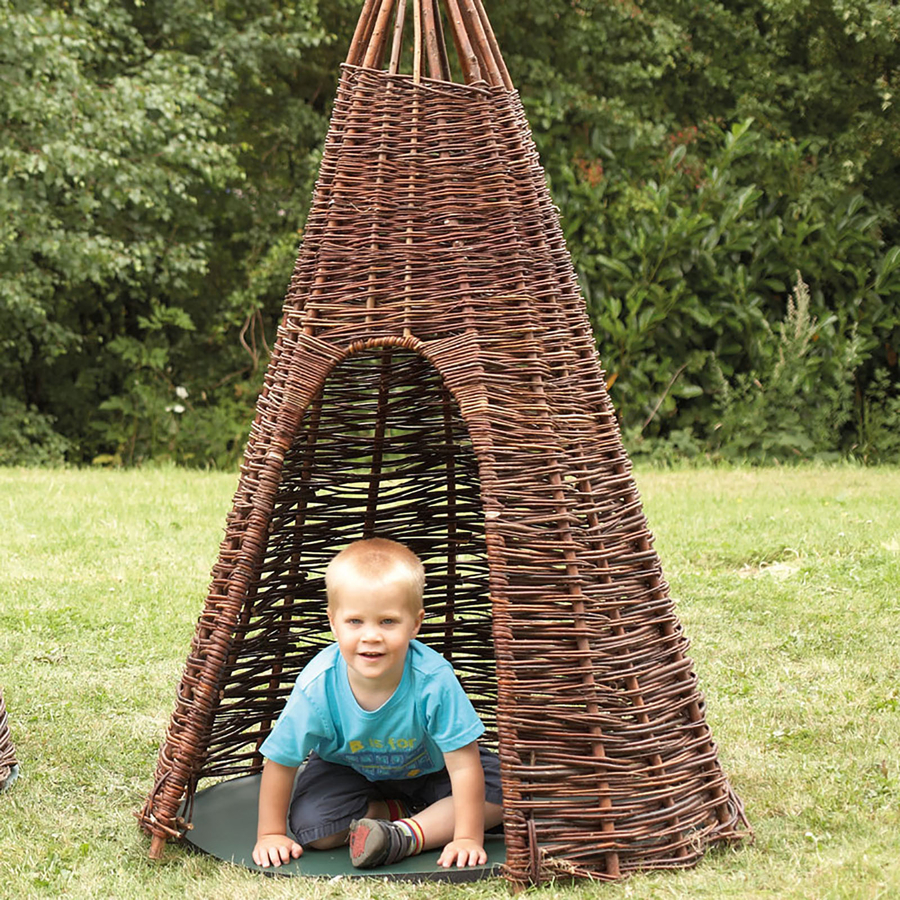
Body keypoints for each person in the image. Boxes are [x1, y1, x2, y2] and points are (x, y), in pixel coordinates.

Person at [252, 537, 504, 870]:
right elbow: (281, 760)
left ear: (415, 624)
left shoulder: (433, 680)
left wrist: (468, 837)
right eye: (355, 621)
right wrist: (270, 833)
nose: (371, 636)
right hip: (347, 770)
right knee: (315, 828)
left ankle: (403, 835)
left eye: (387, 621)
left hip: (433, 768)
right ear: (333, 622)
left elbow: (462, 765)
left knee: (504, 794)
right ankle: (400, 814)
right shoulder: (318, 685)